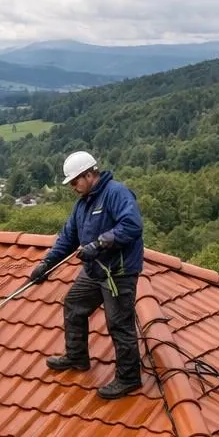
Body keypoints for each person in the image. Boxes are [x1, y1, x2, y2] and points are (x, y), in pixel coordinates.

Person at [28, 150, 145, 399]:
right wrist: (46, 264)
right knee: (74, 304)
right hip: (95, 271)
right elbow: (68, 238)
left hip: (118, 273)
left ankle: (129, 378)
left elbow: (132, 225)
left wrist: (100, 243)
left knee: (118, 323)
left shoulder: (116, 193)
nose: (72, 187)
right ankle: (77, 357)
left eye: (75, 181)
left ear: (90, 174)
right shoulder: (82, 205)